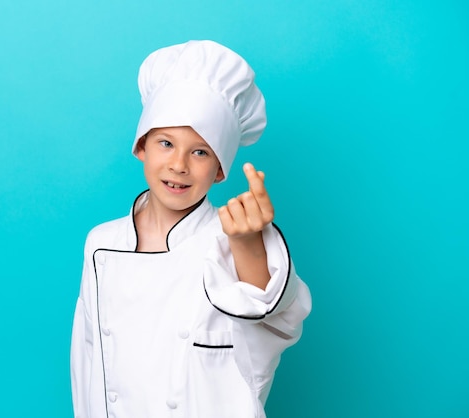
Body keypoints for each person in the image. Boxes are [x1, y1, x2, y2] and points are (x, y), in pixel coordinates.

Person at [70, 40, 312, 418]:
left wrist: (247, 244)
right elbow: (86, 363)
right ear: (141, 148)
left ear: (219, 170)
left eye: (200, 152)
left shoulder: (230, 236)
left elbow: (278, 315)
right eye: (165, 143)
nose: (179, 165)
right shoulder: (101, 244)